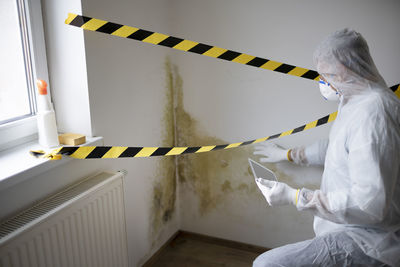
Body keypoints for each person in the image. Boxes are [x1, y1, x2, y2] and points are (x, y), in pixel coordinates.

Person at [252, 28, 400, 267]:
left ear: (345, 71)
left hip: (369, 241)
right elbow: (336, 149)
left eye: (326, 76)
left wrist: (297, 197)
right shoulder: (355, 99)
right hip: (348, 227)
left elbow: (369, 204)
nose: (323, 83)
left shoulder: (374, 113)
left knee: (266, 264)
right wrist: (288, 154)